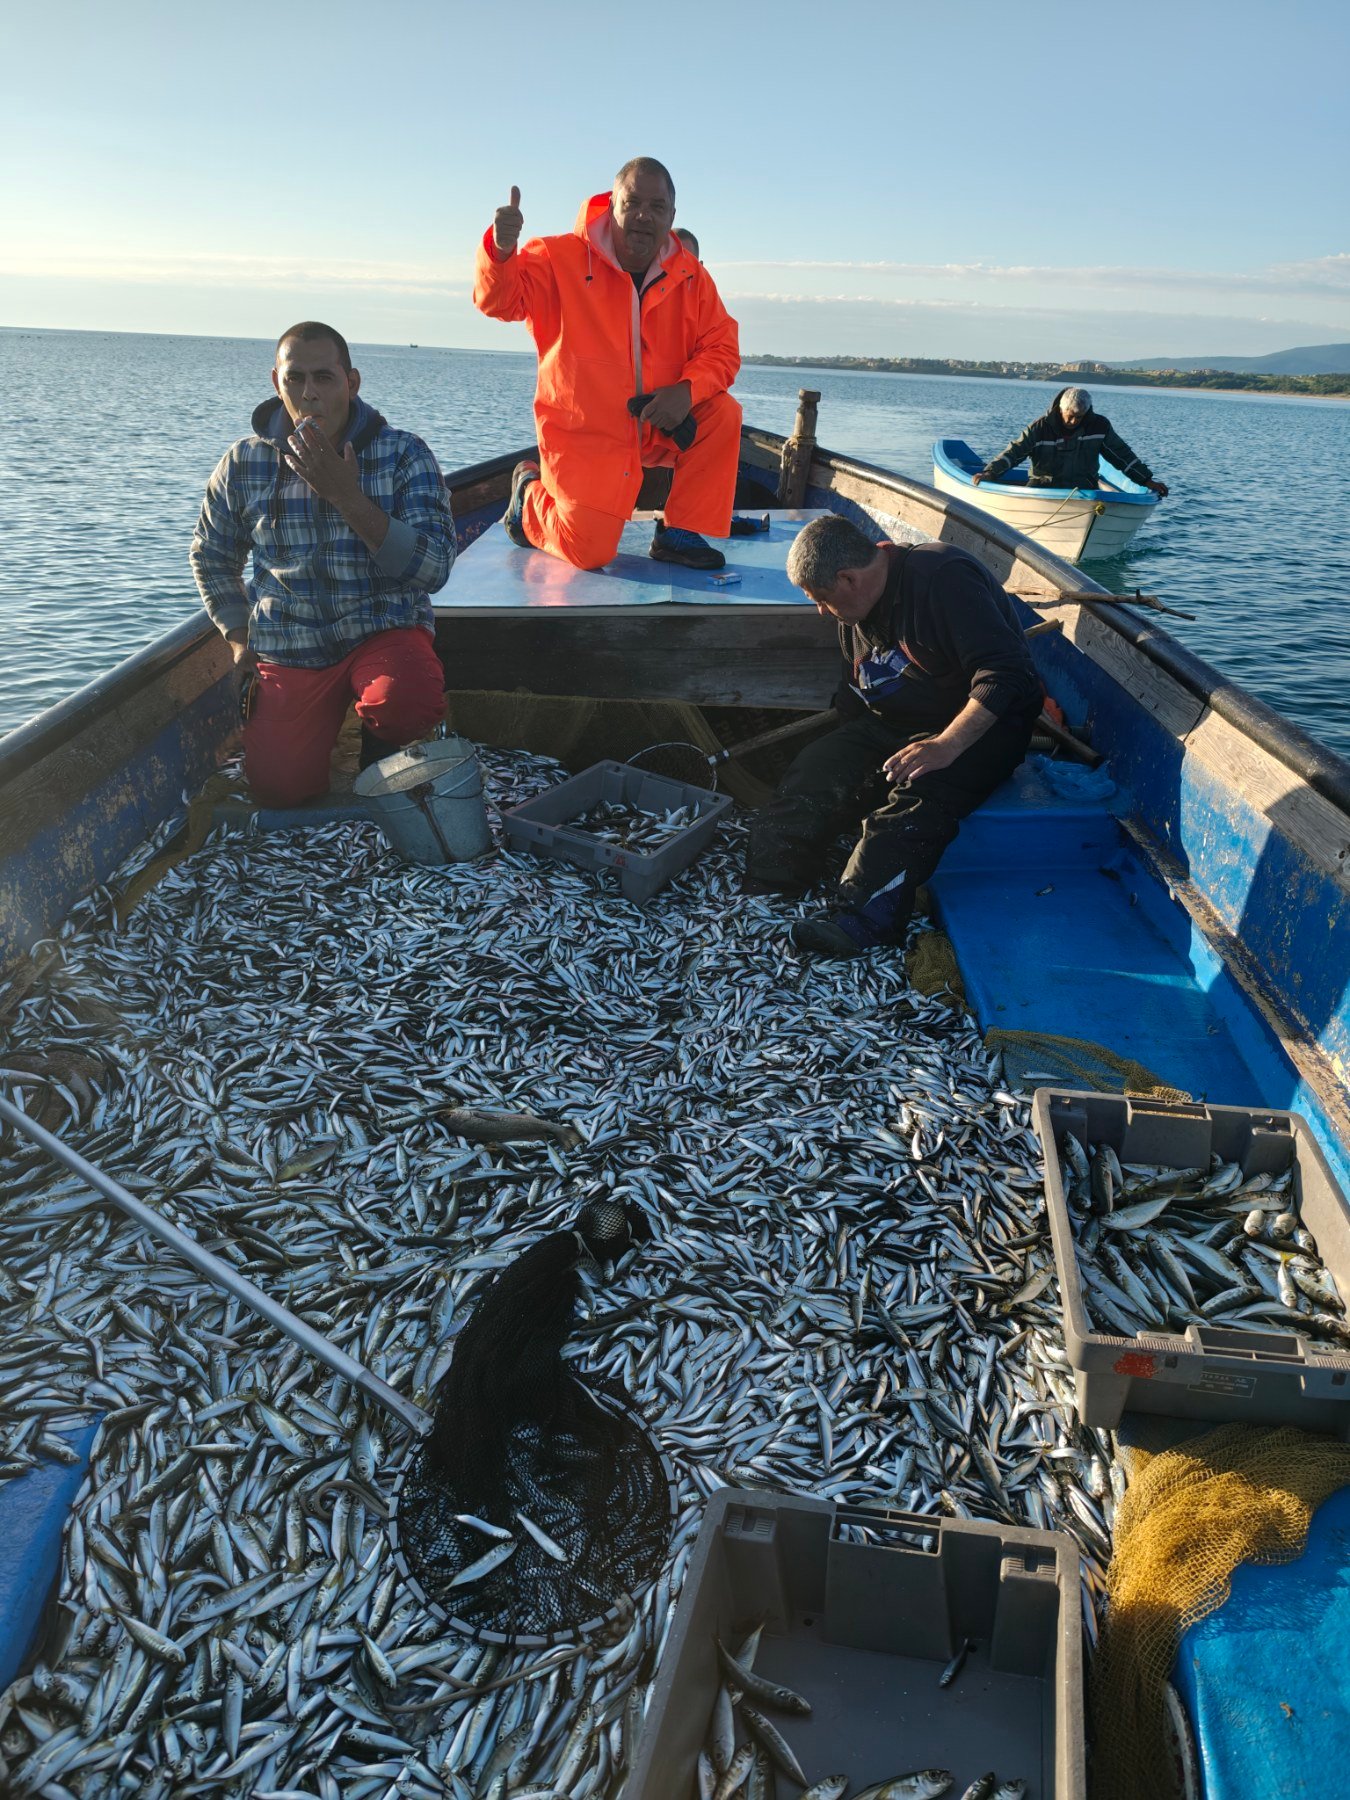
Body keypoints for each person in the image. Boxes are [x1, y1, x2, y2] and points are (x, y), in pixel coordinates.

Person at [745, 514, 1043, 958]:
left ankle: (862, 924)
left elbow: (1007, 674)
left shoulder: (942, 578)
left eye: (822, 599)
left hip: (978, 727)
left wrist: (947, 745)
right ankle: (774, 881)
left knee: (912, 803)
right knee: (815, 767)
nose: (821, 611)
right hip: (894, 721)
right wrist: (846, 766)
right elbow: (854, 694)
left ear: (847, 578)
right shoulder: (855, 607)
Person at [191, 322, 454, 809]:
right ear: (277, 383)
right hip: (291, 643)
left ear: (351, 382)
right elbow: (211, 554)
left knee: (406, 701)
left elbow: (434, 569)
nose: (309, 393)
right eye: (295, 379)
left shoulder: (404, 453)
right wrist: (236, 634)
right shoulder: (243, 462)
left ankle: (382, 752)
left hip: (381, 629)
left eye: (324, 378)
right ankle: (324, 733)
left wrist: (346, 497)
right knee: (279, 790)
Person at [473, 157, 741, 573]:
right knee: (590, 553)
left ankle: (679, 532)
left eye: (656, 207)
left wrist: (686, 392)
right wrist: (500, 250)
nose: (642, 216)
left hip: (657, 424)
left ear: (672, 215)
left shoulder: (693, 277)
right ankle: (528, 496)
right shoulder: (556, 257)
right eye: (632, 202)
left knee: (722, 412)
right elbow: (499, 302)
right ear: (611, 203)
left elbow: (722, 347)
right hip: (585, 435)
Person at [973, 387, 1168, 496]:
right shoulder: (1040, 428)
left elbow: (1122, 455)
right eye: (1070, 416)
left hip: (1084, 490)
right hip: (1043, 490)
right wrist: (990, 472)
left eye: (1080, 417)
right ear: (1060, 409)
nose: (1074, 421)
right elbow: (1014, 452)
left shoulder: (1099, 426)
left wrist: (1147, 480)